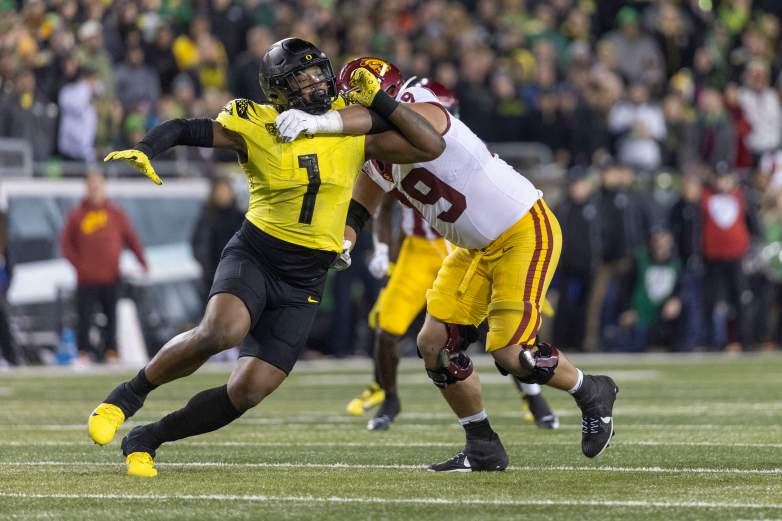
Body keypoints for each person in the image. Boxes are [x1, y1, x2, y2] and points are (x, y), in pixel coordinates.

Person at [87, 37, 446, 478]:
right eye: (302, 76)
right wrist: (147, 146)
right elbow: (187, 127)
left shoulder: (351, 128)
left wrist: (383, 102)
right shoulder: (257, 122)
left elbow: (429, 145)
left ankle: (147, 438)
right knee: (222, 331)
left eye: (319, 72)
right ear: (278, 89)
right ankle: (126, 396)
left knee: (250, 389)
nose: (316, 83)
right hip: (258, 253)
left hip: (307, 277)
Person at [277, 57, 619, 472]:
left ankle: (591, 391)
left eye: (362, 101)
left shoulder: (420, 103)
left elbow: (431, 135)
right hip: (474, 248)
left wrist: (366, 109)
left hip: (522, 228)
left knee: (515, 355)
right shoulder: (377, 149)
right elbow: (360, 209)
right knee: (434, 345)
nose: (356, 112)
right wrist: (343, 243)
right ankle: (482, 446)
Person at [345, 73, 558, 431]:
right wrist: (382, 246)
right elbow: (378, 199)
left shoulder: (457, 144)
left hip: (466, 243)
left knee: (507, 326)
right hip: (419, 249)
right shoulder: (387, 151)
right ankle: (388, 397)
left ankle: (534, 397)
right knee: (390, 326)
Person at [61, 169, 148, 365]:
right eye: (91, 185)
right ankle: (83, 353)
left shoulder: (116, 214)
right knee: (84, 317)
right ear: (86, 188)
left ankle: (111, 353)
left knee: (112, 318)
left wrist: (142, 260)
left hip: (111, 276)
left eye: (98, 184)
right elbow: (66, 245)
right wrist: (80, 265)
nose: (95, 189)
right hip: (86, 279)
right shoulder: (76, 215)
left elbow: (131, 238)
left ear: (104, 187)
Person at [190, 176, 245, 305]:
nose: (223, 195)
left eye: (226, 191)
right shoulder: (207, 217)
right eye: (220, 192)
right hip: (211, 277)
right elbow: (196, 243)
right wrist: (205, 264)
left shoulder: (240, 218)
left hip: (237, 277)